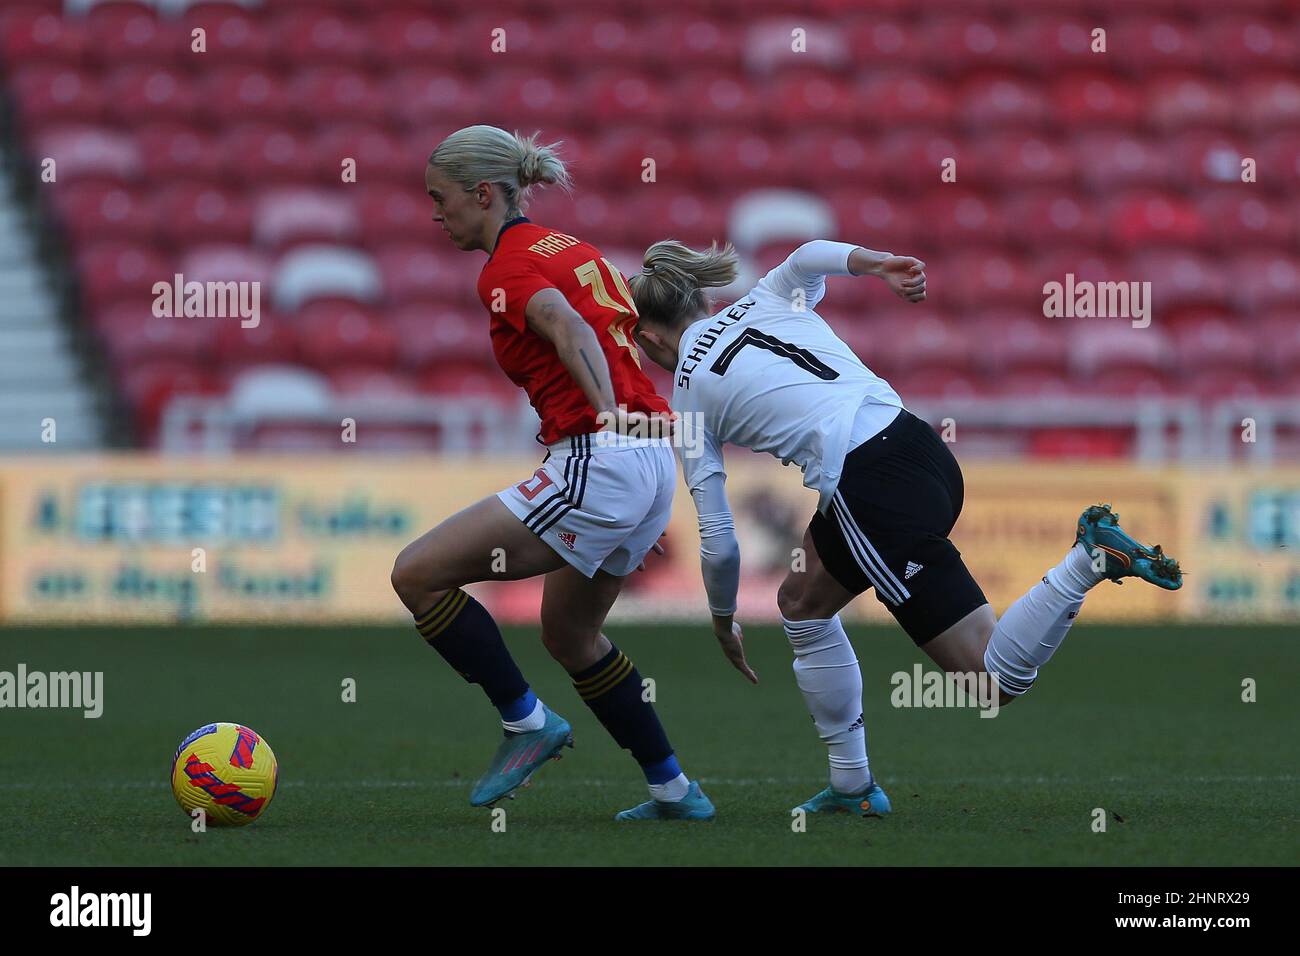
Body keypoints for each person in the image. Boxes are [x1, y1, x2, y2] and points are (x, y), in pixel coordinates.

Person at [629, 238, 1182, 817]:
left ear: (647, 338)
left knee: (989, 681)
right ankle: (852, 787)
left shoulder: (689, 395)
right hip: (920, 447)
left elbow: (717, 539)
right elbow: (810, 254)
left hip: (870, 487)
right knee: (802, 601)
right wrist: (878, 267)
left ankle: (1086, 562)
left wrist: (722, 620)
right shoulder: (762, 299)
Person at [390, 126, 713, 820]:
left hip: (600, 456)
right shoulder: (570, 247)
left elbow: (566, 324)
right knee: (569, 635)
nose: (435, 213)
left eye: (439, 199)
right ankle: (674, 791)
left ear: (482, 194)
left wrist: (603, 411)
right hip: (652, 465)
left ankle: (525, 722)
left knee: (416, 574)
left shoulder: (504, 270)